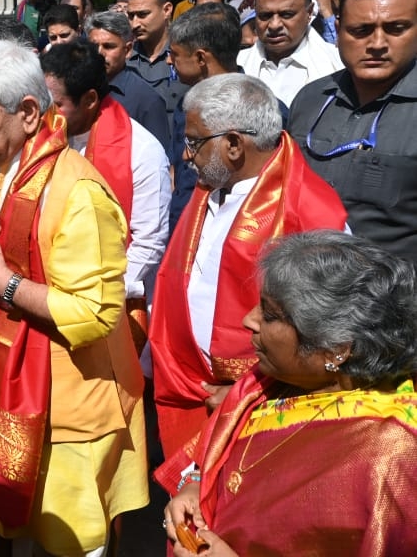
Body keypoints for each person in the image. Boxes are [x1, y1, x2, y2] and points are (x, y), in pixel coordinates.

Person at [0, 37, 148, 557]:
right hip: (7, 386)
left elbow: (96, 315)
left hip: (70, 406)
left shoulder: (77, 192)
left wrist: (2, 284)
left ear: (28, 113)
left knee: (69, 543)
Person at [159, 231, 417, 557]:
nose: (248, 320)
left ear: (335, 350)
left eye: (270, 315)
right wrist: (195, 487)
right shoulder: (266, 384)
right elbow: (214, 462)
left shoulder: (393, 458)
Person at [149, 74, 348, 458]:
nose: (186, 156)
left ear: (234, 145)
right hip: (190, 387)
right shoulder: (212, 187)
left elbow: (329, 343)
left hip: (264, 407)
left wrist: (249, 394)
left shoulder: (311, 213)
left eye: (194, 143)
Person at [41, 40, 171, 355]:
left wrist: (90, 294)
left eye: (56, 104)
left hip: (107, 304)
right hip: (42, 296)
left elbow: (149, 243)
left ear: (89, 99)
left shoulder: (142, 151)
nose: (47, 113)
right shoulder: (43, 135)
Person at [288, 0, 417, 264]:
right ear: (337, 29)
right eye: (360, 30)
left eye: (396, 29)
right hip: (302, 294)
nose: (377, 43)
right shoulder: (310, 99)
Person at [165, 2, 244, 229]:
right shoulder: (186, 104)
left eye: (175, 54)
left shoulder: (256, 111)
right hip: (183, 230)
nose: (169, 61)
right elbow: (178, 170)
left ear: (201, 58)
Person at [238, 0, 343, 107]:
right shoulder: (237, 64)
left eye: (286, 14)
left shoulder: (337, 66)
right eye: (265, 16)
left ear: (309, 12)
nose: (274, 25)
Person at [84, 10, 171, 154]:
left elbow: (159, 157)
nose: (99, 53)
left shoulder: (147, 99)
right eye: (94, 46)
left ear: (128, 49)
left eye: (109, 46)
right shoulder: (79, 89)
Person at [126, 0, 189, 129]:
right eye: (130, 16)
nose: (135, 24)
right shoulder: (124, 58)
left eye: (142, 15)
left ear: (166, 10)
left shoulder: (187, 57)